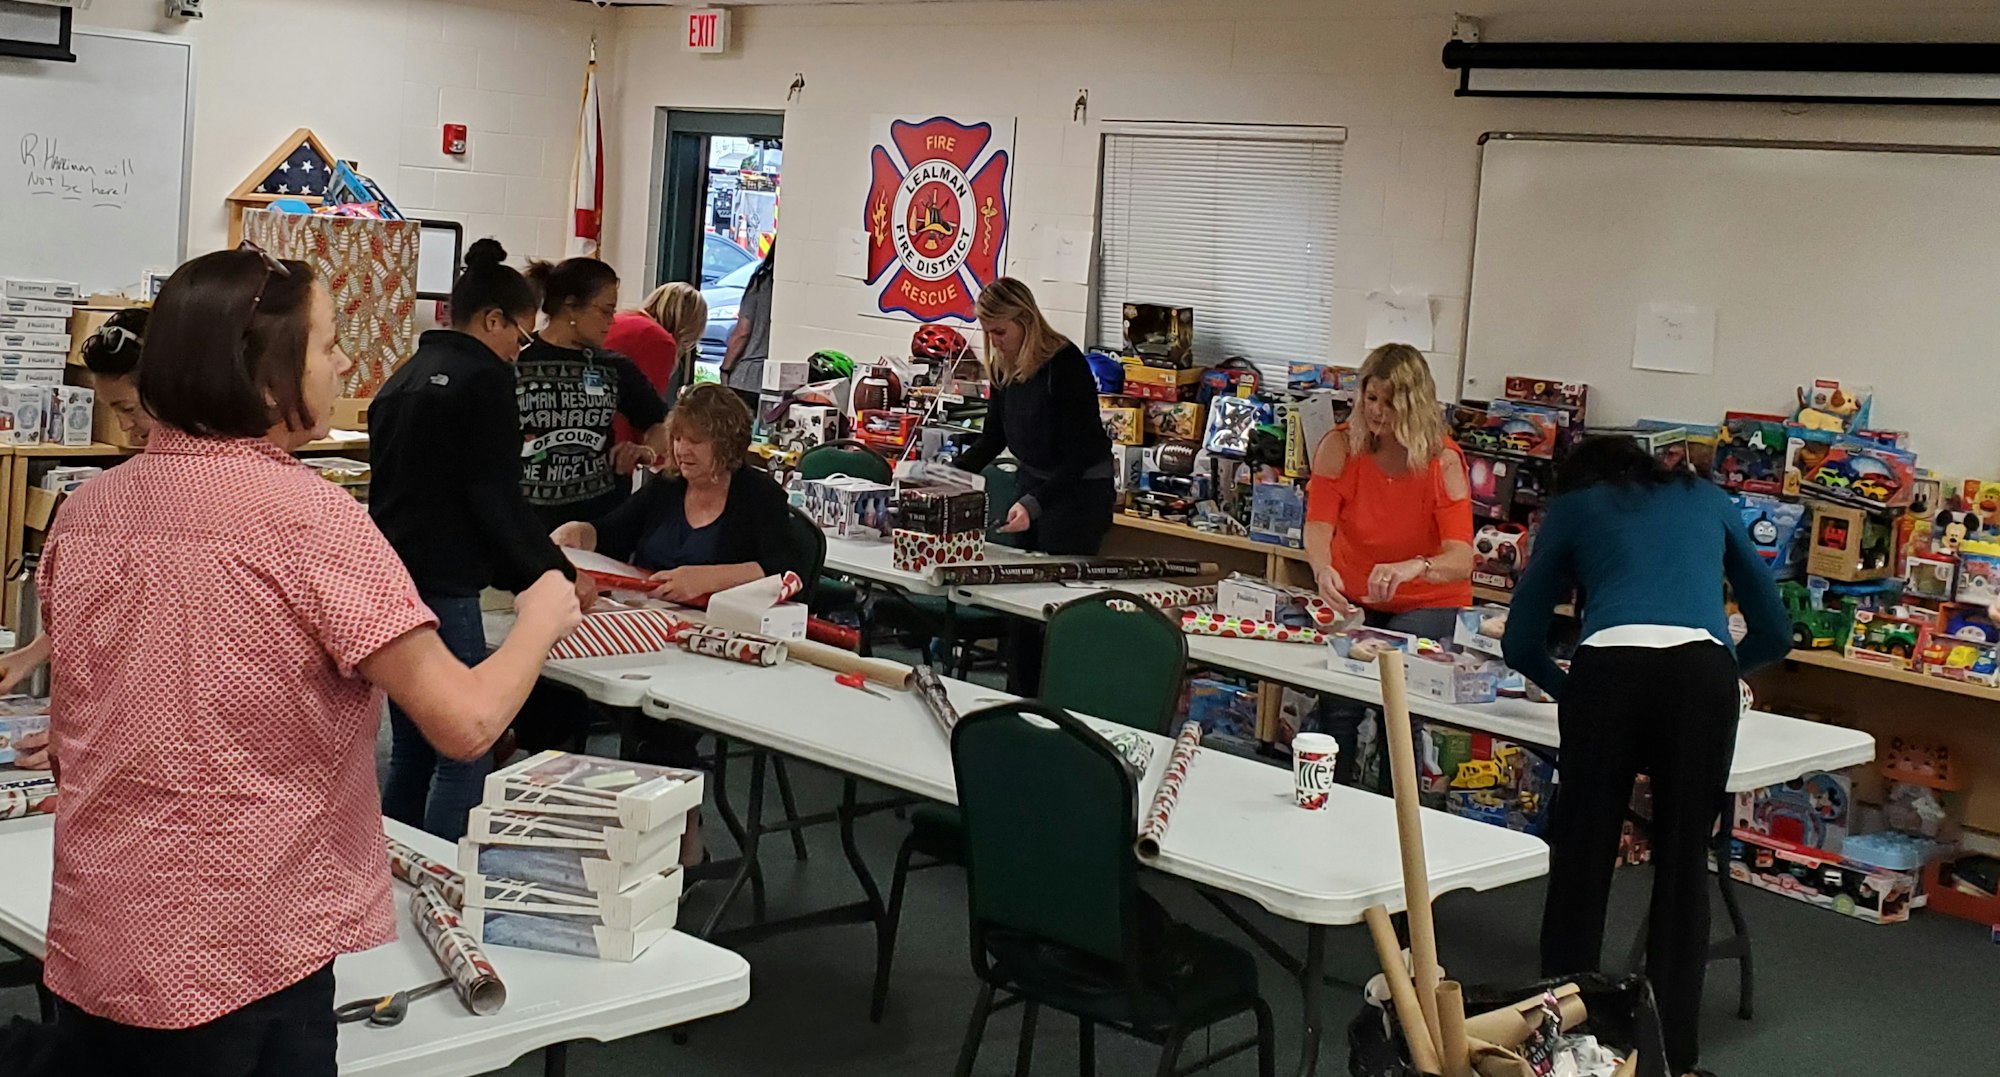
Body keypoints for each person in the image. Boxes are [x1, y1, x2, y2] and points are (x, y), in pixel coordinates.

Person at [36, 245, 581, 1077]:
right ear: (264, 379)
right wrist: (542, 615)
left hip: (99, 932)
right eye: (328, 345)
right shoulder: (311, 520)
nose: (345, 363)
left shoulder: (88, 514)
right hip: (241, 952)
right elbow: (464, 722)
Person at [1502, 435, 1789, 1077]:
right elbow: (1776, 628)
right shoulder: (1710, 500)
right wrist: (1722, 676)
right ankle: (1673, 1056)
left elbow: (1520, 641)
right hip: (1702, 675)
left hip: (1608, 671)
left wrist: (1574, 693)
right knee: (1685, 864)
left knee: (1582, 860)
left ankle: (1563, 1039)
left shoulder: (1575, 510)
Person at [370, 238, 588, 841]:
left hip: (393, 586)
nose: (518, 353)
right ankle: (442, 881)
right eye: (520, 337)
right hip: (445, 587)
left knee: (414, 748)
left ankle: (396, 873)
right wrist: (553, 578)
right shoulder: (484, 380)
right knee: (466, 747)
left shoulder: (401, 380)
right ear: (493, 320)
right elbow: (495, 497)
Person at [1303, 343, 1474, 782]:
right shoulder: (1340, 445)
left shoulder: (1443, 460)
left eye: (1389, 401)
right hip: (1358, 592)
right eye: (1370, 398)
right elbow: (1318, 527)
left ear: (1413, 403)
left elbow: (1461, 558)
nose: (1376, 411)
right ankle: (1329, 798)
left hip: (1428, 598)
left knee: (1395, 694)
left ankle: (1397, 819)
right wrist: (1322, 569)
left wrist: (1415, 566)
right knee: (1338, 700)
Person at [0, 309, 160, 768]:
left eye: (127, 409)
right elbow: (106, 600)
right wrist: (34, 653)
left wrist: (85, 733)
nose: (124, 426)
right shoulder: (118, 495)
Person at [551, 383, 807, 602]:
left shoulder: (760, 495)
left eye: (695, 442)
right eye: (677, 439)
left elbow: (785, 569)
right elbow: (612, 533)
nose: (682, 450)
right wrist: (580, 533)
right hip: (650, 614)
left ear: (726, 445)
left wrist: (705, 579)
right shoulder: (667, 485)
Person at [953, 277, 1115, 555]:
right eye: (987, 332)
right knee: (1018, 568)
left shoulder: (1065, 364)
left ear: (1025, 321)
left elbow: (1079, 455)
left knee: (1053, 577)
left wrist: (1035, 503)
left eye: (1000, 332)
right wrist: (948, 475)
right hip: (1035, 480)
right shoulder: (1003, 366)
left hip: (1079, 488)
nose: (994, 341)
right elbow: (993, 438)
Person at [517, 257, 671, 533]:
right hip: (529, 521)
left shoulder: (614, 367)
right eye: (605, 310)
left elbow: (662, 423)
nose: (611, 321)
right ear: (571, 306)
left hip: (600, 521)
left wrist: (647, 450)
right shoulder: (517, 361)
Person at [606, 281, 707, 446]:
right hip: (614, 441)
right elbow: (648, 414)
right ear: (688, 329)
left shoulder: (623, 319)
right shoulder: (659, 341)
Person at [719, 240, 774, 411]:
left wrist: (725, 369)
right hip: (778, 379)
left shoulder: (761, 282)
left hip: (747, 378)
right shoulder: (792, 286)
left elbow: (743, 331)